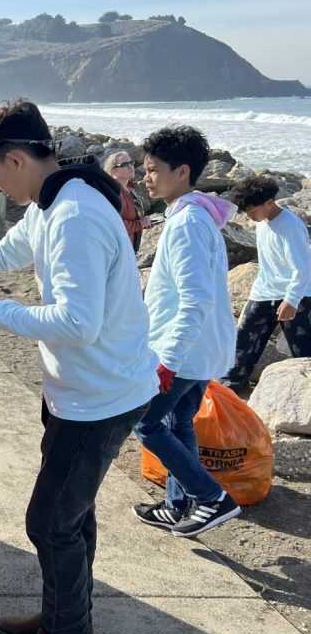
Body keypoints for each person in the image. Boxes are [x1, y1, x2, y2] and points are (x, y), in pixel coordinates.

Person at [0, 100, 158, 634]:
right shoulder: (52, 202)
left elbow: (75, 322)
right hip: (80, 390)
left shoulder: (76, 217)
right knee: (72, 514)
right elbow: (9, 251)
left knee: (51, 521)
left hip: (102, 396)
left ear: (15, 159)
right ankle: (66, 615)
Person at [133, 125, 241, 537]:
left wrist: (168, 360)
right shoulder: (193, 216)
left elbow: (196, 299)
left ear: (182, 171)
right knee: (179, 423)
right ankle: (179, 505)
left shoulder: (188, 224)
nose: (146, 177)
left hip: (183, 352)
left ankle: (212, 497)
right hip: (197, 349)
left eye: (153, 169)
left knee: (145, 423)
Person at [221, 174, 311, 388]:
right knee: (241, 345)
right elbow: (267, 264)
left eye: (253, 211)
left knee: (303, 353)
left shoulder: (290, 226)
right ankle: (229, 391)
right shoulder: (262, 222)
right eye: (247, 212)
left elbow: (303, 268)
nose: (250, 216)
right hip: (265, 292)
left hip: (295, 295)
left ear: (270, 203)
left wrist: (292, 299)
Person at [103, 150, 150, 250]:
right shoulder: (114, 193)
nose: (130, 166)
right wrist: (140, 224)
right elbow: (114, 225)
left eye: (131, 163)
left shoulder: (130, 189)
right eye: (125, 164)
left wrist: (145, 223)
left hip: (129, 248)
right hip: (118, 252)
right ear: (114, 172)